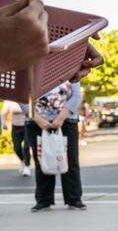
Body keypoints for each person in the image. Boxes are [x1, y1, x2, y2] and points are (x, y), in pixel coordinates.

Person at [26, 81, 85, 211]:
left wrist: (60, 118)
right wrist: (40, 120)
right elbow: (22, 97)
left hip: (67, 120)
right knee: (42, 160)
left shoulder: (70, 67)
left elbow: (76, 96)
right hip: (36, 123)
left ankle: (74, 199)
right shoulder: (29, 66)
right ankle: (43, 200)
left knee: (71, 160)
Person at [2, 101, 32, 176]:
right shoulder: (9, 101)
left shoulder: (26, 99)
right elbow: (3, 113)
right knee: (17, 148)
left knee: (26, 147)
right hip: (15, 127)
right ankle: (23, 161)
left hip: (27, 126)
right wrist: (3, 123)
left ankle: (27, 166)